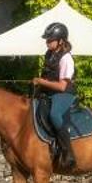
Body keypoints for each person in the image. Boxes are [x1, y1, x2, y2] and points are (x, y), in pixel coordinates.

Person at [32, 21, 77, 170]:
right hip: (49, 93)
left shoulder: (66, 59)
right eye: (47, 40)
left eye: (50, 40)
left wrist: (41, 81)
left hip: (64, 94)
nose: (47, 42)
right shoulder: (49, 54)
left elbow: (62, 86)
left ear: (61, 41)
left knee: (54, 115)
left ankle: (68, 152)